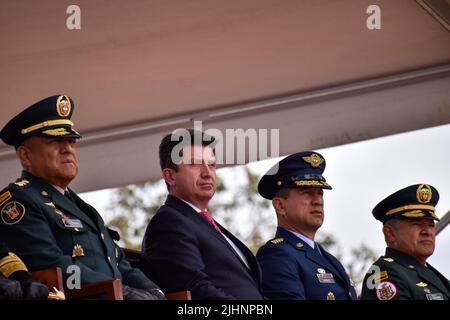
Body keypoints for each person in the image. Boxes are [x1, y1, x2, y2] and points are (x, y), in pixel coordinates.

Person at [0, 95, 164, 300]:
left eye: (71, 141)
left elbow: (120, 264)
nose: (67, 148)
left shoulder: (82, 207)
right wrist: (125, 293)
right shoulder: (18, 200)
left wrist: (155, 292)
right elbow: (51, 266)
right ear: (25, 156)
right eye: (55, 141)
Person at [141, 129, 264, 299]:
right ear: (170, 176)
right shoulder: (169, 223)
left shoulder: (202, 222)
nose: (207, 173)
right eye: (195, 164)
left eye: (212, 165)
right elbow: (196, 291)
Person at [256, 151, 356, 300]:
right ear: (280, 206)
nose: (318, 201)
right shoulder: (277, 255)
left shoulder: (329, 260)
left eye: (320, 193)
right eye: (307, 193)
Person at [361, 184, 450, 300]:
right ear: (390, 232)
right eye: (417, 224)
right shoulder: (385, 275)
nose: (427, 232)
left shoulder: (428, 273)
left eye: (431, 225)